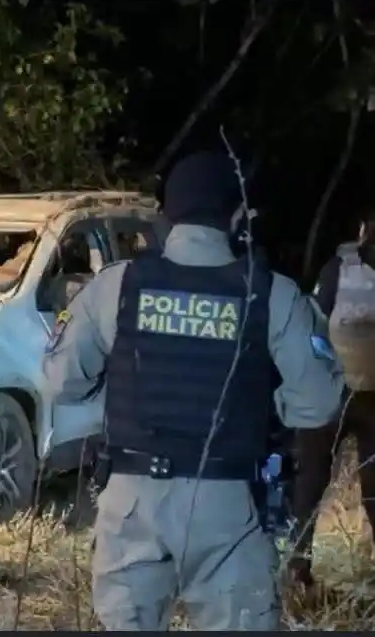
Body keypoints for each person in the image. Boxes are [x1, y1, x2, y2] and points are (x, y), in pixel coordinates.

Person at [42, 150, 344, 630]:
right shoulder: (272, 294)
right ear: (238, 215)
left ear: (167, 215)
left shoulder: (116, 287)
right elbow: (321, 404)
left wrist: (120, 400)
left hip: (132, 502)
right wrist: (266, 404)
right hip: (229, 504)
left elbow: (62, 384)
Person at [288, 208, 375, 588]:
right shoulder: (338, 267)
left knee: (310, 480)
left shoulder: (337, 268)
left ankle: (297, 567)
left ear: (362, 230)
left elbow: (313, 327)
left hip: (332, 393)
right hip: (370, 398)